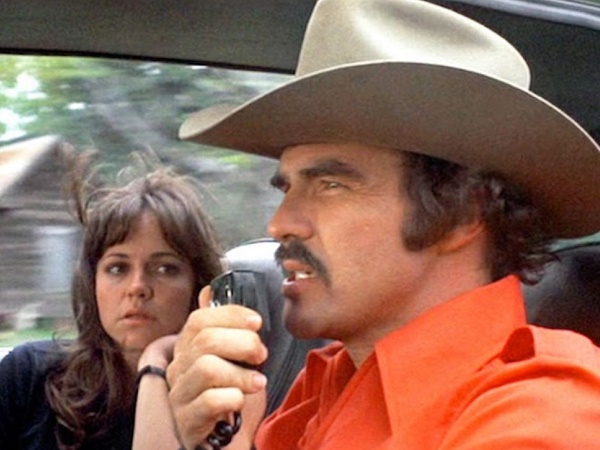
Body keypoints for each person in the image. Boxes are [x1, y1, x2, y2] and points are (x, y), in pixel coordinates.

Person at [166, 0, 600, 448]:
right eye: (287, 189)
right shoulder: (326, 384)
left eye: (331, 185)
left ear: (463, 214)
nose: (279, 224)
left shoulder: (546, 416)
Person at [0, 149, 258, 449]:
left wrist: (156, 362)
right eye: (117, 268)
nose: (137, 287)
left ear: (198, 285)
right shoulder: (29, 376)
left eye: (164, 268)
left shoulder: (222, 400)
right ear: (92, 283)